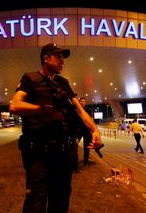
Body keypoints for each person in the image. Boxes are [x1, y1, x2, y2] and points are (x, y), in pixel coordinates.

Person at [9, 43, 101, 213]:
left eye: (63, 58)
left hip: (62, 154)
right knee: (35, 202)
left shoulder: (63, 83)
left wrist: (95, 131)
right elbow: (15, 106)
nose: (62, 62)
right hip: (38, 154)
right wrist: (43, 110)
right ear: (46, 58)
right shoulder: (30, 79)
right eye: (58, 57)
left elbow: (79, 111)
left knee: (61, 201)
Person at [73, 97, 93, 169]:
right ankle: (75, 163)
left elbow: (91, 120)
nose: (82, 102)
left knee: (86, 147)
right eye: (80, 101)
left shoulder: (89, 110)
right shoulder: (76, 110)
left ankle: (85, 162)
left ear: (85, 102)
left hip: (86, 131)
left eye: (83, 101)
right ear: (79, 102)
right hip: (78, 131)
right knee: (75, 145)